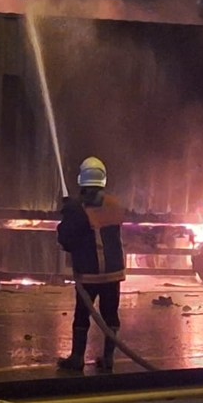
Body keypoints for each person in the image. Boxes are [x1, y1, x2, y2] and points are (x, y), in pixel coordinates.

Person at [56, 156, 126, 373]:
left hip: (89, 273)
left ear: (81, 180)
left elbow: (66, 240)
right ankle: (108, 359)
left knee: (82, 315)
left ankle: (77, 359)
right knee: (110, 315)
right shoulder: (115, 204)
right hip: (113, 273)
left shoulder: (77, 208)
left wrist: (68, 214)